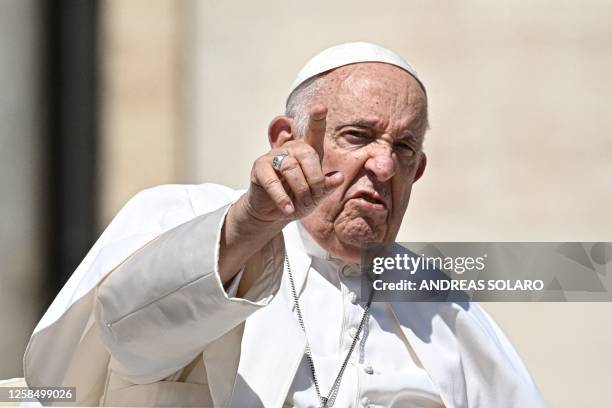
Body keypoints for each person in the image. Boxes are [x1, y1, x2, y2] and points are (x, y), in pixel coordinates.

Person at [24, 42, 545, 407]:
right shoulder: (185, 214)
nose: (383, 167)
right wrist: (248, 226)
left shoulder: (438, 301)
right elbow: (127, 336)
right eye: (358, 136)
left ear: (418, 171)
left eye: (404, 149)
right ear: (283, 140)